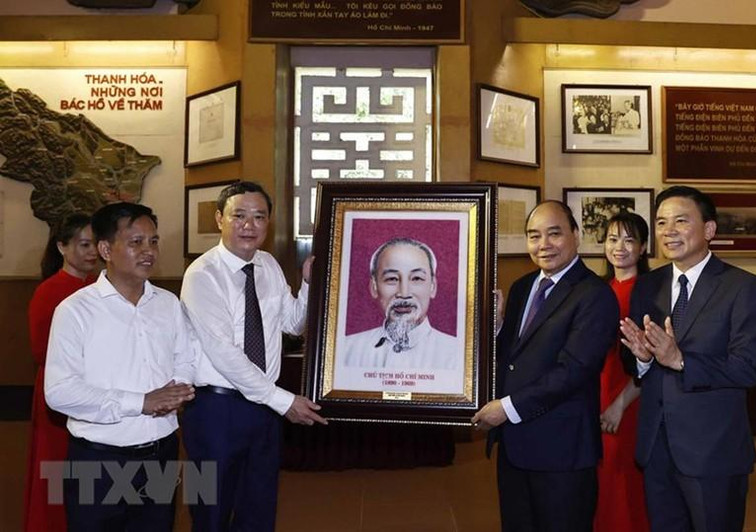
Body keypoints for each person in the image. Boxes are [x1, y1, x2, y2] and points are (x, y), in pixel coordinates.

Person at [180, 180, 327, 532]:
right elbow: (223, 352)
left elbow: (293, 323)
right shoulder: (202, 275)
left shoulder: (269, 265)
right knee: (211, 514)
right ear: (219, 219)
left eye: (259, 217)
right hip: (217, 411)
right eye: (239, 215)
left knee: (258, 510)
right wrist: (282, 400)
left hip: (263, 409)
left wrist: (308, 283)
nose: (249, 225)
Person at [620, 186, 756, 531]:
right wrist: (641, 359)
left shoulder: (742, 287)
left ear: (709, 230)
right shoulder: (647, 286)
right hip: (656, 447)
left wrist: (680, 360)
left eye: (681, 221)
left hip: (713, 452)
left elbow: (748, 368)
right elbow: (633, 358)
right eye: (660, 222)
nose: (668, 231)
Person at [44, 202, 196, 530]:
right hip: (97, 460)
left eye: (153, 241)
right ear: (105, 249)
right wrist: (141, 402)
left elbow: (186, 358)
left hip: (161, 452)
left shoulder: (168, 304)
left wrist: (177, 391)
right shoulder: (74, 311)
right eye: (135, 242)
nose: (148, 251)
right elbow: (58, 392)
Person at [472, 200, 619, 532]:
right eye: (534, 235)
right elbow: (512, 359)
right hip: (515, 447)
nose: (544, 245)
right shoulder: (524, 286)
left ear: (576, 235)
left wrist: (506, 409)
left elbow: (574, 371)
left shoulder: (594, 295)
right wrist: (496, 329)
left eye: (554, 234)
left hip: (562, 452)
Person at [24, 213, 97, 532]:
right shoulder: (49, 291)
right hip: (58, 390)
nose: (92, 251)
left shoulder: (99, 286)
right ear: (62, 247)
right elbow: (40, 350)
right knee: (56, 467)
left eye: (95, 243)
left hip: (96, 388)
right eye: (83, 244)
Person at [594, 211, 650, 532]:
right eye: (613, 239)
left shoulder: (649, 291)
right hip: (597, 394)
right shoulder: (599, 289)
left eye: (630, 240)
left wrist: (620, 403)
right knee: (601, 480)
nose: (620, 247)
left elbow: (650, 361)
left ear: (643, 248)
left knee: (625, 482)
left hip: (629, 399)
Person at [342, 237, 462, 370]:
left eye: (416, 278)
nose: (404, 293)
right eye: (392, 279)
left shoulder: (458, 355)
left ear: (433, 287)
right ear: (374, 287)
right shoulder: (345, 350)